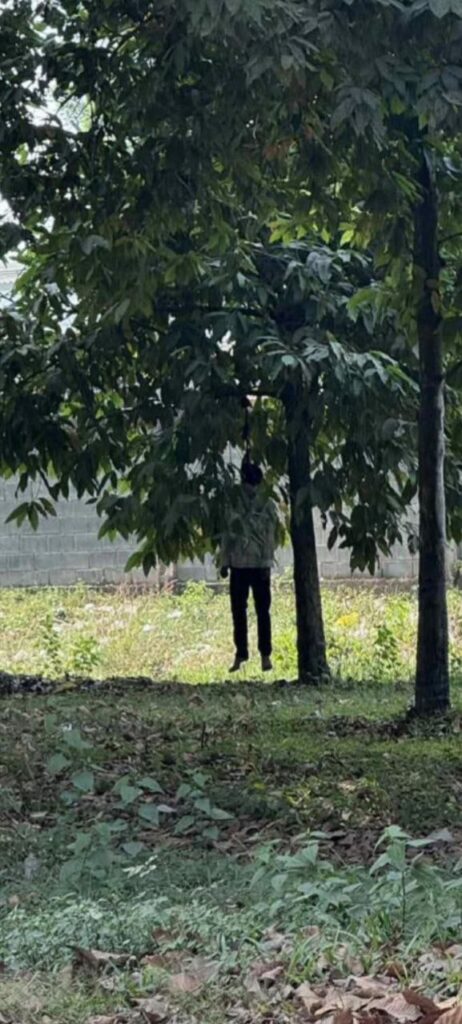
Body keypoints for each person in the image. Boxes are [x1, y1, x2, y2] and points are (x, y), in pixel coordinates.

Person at [220, 461, 277, 673]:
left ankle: (253, 654)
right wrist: (225, 562)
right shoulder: (242, 504)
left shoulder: (261, 504)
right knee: (254, 612)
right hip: (247, 565)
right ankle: (253, 655)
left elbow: (269, 538)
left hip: (247, 565)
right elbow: (269, 538)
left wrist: (225, 562)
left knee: (248, 611)